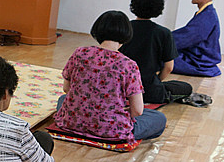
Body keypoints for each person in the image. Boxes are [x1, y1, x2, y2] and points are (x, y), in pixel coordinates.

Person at [53, 10, 166, 141]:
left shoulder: (80, 53)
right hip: (111, 130)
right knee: (158, 118)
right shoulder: (128, 65)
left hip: (71, 123)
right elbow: (137, 111)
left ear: (97, 30)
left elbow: (67, 89)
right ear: (126, 34)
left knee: (63, 99)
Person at [120, 0, 193, 103]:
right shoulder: (164, 33)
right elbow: (169, 67)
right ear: (158, 7)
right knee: (186, 87)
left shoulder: (124, 28)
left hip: (122, 88)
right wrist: (156, 81)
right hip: (149, 90)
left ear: (134, 4)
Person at [172, 0, 221, 77]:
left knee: (161, 57)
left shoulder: (207, 15)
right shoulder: (206, 13)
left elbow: (188, 37)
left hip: (199, 59)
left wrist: (163, 38)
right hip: (195, 54)